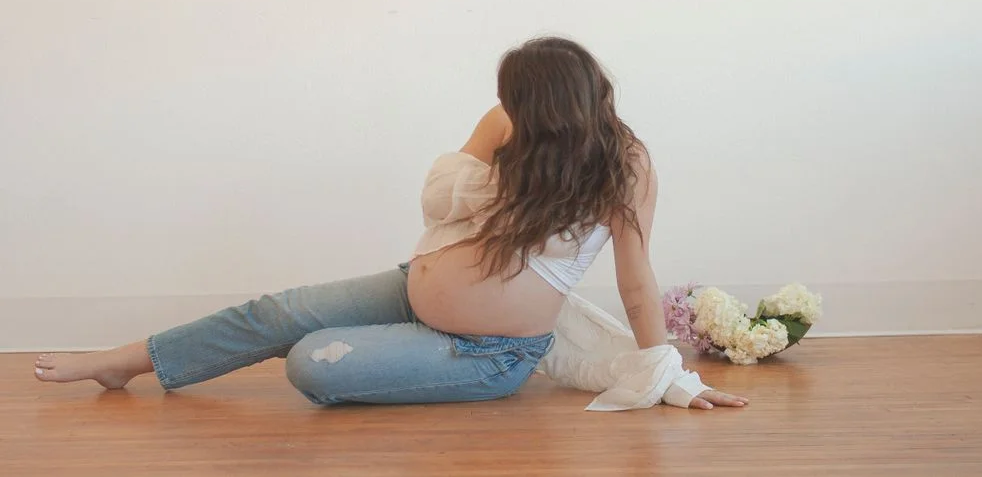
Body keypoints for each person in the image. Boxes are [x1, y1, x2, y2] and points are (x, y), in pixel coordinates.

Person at [34, 36, 747, 411]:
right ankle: (125, 361)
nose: (503, 110)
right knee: (276, 310)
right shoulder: (507, 124)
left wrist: (672, 375)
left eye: (517, 102)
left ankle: (402, 355)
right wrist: (501, 176)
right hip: (417, 286)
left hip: (490, 352)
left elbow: (636, 283)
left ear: (555, 105)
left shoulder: (625, 164)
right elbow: (440, 198)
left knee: (313, 359)